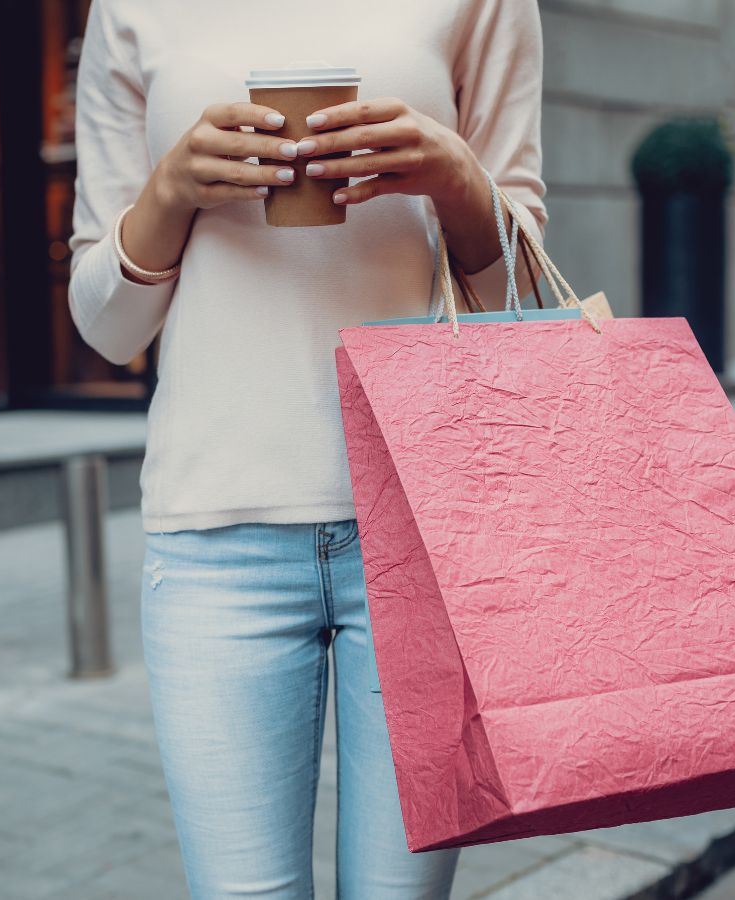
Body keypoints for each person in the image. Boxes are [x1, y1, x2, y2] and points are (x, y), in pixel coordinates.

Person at [68, 0, 546, 895]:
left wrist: (453, 176)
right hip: (216, 541)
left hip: (422, 531)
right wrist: (170, 193)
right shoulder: (128, 11)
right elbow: (105, 327)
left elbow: (520, 300)